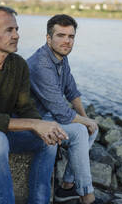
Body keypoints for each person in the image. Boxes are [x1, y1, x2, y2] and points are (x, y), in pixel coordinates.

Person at [0, 6, 68, 204]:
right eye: (9, 30)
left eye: (17, 29)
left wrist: (42, 127)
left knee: (48, 140)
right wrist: (32, 124)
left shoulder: (18, 64)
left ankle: (38, 201)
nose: (16, 35)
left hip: (1, 130)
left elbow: (26, 107)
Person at [27, 14, 103, 204]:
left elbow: (72, 91)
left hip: (48, 115)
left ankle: (66, 187)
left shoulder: (61, 57)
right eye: (61, 35)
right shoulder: (41, 64)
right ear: (48, 38)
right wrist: (84, 122)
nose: (67, 41)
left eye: (71, 36)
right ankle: (88, 197)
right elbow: (62, 112)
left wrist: (86, 119)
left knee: (88, 129)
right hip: (32, 121)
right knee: (79, 130)